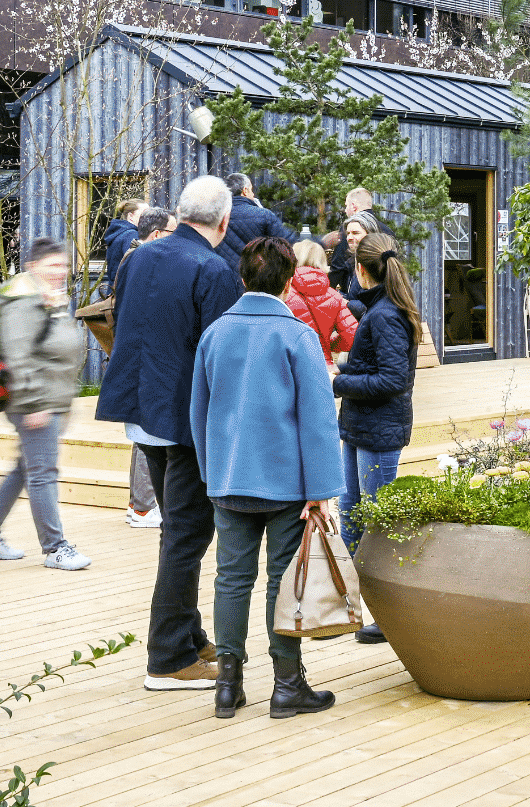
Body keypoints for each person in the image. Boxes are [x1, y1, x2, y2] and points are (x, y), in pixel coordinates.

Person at [96, 175, 243, 690]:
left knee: (179, 531)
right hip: (184, 419)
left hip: (143, 408)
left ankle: (188, 633)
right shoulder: (214, 268)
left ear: (180, 213)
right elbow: (223, 357)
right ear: (223, 222)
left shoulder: (139, 255)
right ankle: (168, 657)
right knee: (186, 535)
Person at [191, 237, 342, 720]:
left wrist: (211, 473)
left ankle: (228, 685)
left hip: (229, 478)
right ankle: (287, 685)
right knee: (282, 580)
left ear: (242, 278)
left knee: (230, 580)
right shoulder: (296, 335)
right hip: (288, 484)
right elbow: (318, 419)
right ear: (289, 279)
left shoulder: (215, 333)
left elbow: (199, 412)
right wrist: (321, 492)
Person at [0, 238, 91, 571]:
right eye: (53, 265)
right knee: (42, 474)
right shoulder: (23, 301)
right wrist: (34, 403)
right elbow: (18, 355)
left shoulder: (45, 297)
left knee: (25, 470)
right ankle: (55, 548)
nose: (60, 272)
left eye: (64, 265)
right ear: (33, 266)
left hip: (51, 399)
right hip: (34, 403)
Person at [333, 231, 422, 644]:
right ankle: (351, 604)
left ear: (363, 269)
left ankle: (390, 614)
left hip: (379, 431)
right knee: (351, 513)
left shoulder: (387, 316)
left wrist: (340, 381)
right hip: (357, 426)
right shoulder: (380, 308)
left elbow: (393, 378)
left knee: (380, 523)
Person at [123, 205, 176, 530]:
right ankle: (143, 507)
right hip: (146, 363)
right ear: (156, 235)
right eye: (173, 232)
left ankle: (140, 504)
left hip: (141, 362)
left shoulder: (135, 259)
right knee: (147, 436)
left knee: (143, 437)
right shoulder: (142, 262)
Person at [284, 239, 358, 367]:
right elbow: (352, 334)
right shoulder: (334, 295)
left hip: (290, 365)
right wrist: (329, 344)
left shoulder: (284, 292)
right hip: (323, 366)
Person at [215, 173, 296, 273]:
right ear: (245, 191)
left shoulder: (215, 216)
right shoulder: (263, 215)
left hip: (222, 278)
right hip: (254, 280)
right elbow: (288, 243)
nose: (253, 195)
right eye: (251, 190)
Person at [327, 188, 391, 292]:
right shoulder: (387, 231)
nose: (345, 210)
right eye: (349, 234)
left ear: (353, 206)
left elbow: (338, 265)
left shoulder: (350, 228)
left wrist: (327, 291)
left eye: (346, 206)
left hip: (356, 293)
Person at [335, 210, 382, 302]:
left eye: (355, 233)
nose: (349, 238)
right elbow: (355, 297)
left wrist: (346, 304)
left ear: (370, 234)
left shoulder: (376, 263)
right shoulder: (353, 262)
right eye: (348, 233)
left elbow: (373, 306)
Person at [103, 197, 147, 290]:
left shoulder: (120, 233)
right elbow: (135, 269)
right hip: (124, 293)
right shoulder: (131, 235)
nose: (148, 218)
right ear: (131, 216)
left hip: (116, 291)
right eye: (144, 214)